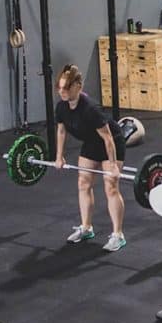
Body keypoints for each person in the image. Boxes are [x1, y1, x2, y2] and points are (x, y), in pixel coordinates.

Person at [54, 64, 127, 252]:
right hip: (91, 142)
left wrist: (112, 165)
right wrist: (59, 156)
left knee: (110, 186)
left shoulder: (90, 108)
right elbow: (61, 131)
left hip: (111, 143)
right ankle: (86, 228)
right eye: (59, 88)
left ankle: (118, 235)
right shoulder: (61, 107)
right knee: (83, 183)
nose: (62, 91)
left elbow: (108, 137)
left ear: (78, 85)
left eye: (66, 87)